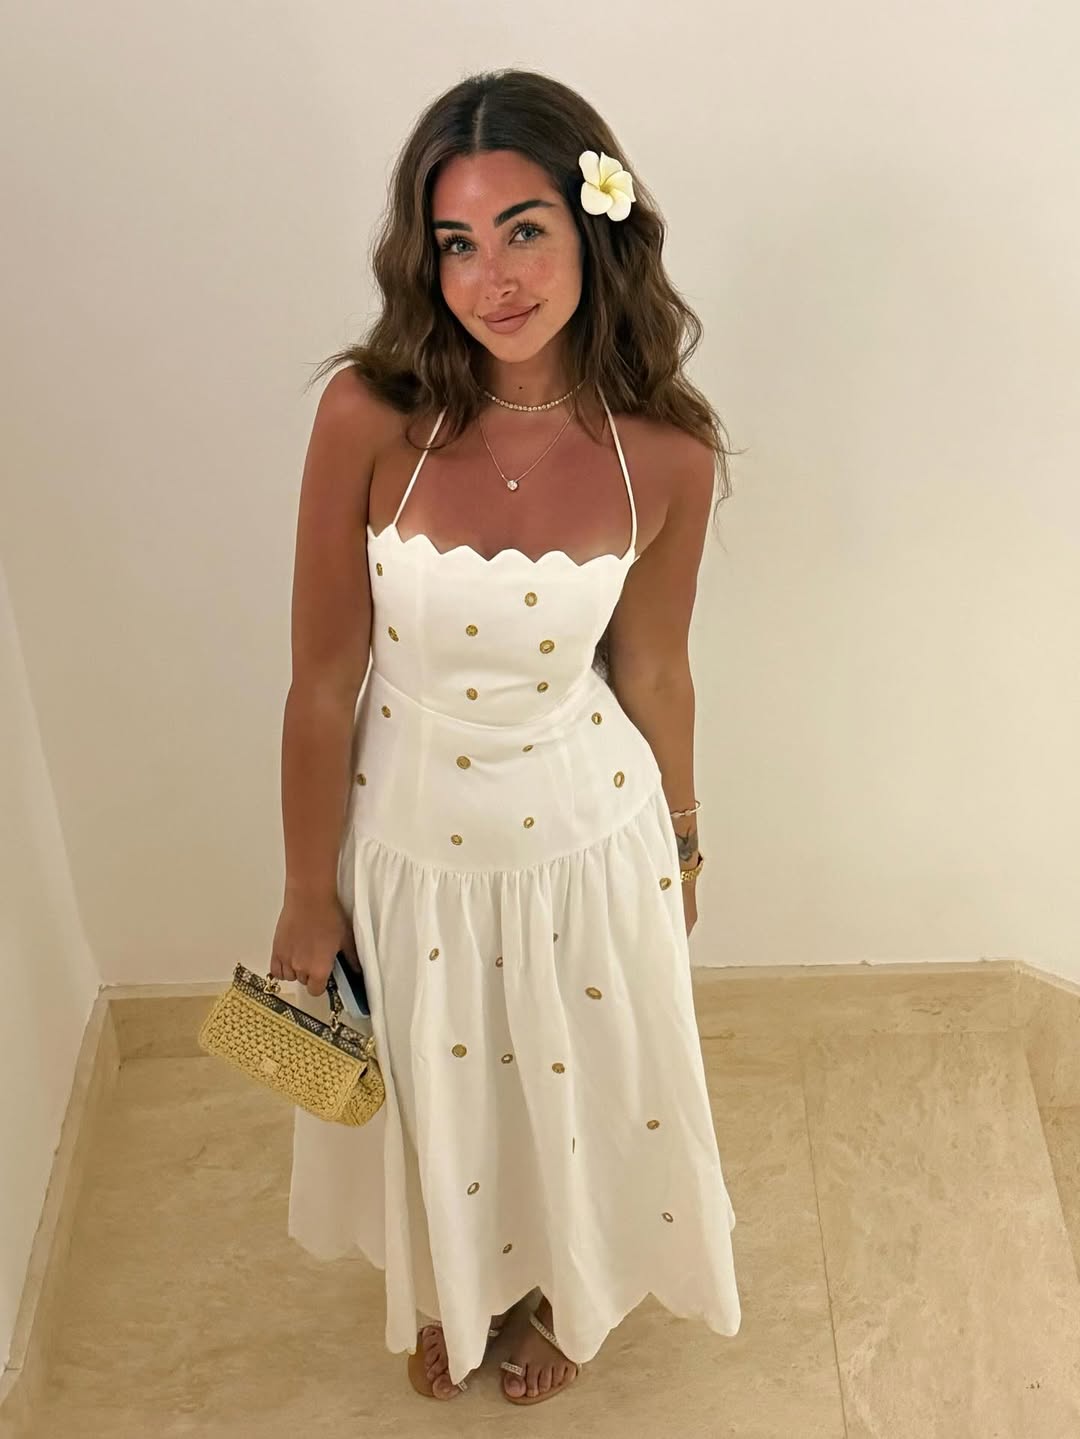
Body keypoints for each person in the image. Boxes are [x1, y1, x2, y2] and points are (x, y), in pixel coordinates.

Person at [270, 66, 742, 1408]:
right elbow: (321, 680)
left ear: (594, 226)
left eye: (525, 229)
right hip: (409, 840)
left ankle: (564, 1294)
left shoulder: (668, 453)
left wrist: (683, 842)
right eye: (458, 242)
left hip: (588, 836)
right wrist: (307, 890)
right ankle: (462, 1281)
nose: (495, 277)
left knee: (570, 1089)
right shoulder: (368, 416)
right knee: (441, 1088)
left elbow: (654, 666)